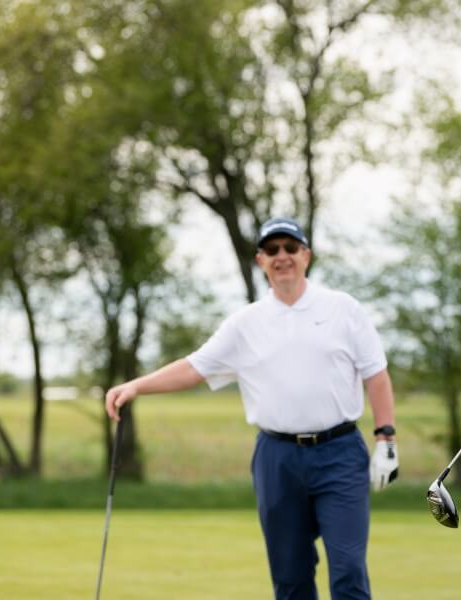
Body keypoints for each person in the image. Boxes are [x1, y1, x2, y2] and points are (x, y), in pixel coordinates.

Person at [105, 217, 399, 600]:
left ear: (306, 255)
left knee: (348, 571)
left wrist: (386, 439)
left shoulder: (343, 309)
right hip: (277, 458)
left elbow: (376, 374)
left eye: (290, 248)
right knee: (290, 576)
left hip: (339, 453)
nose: (282, 256)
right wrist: (135, 386)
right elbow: (194, 368)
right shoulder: (245, 323)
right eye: (272, 250)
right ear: (261, 261)